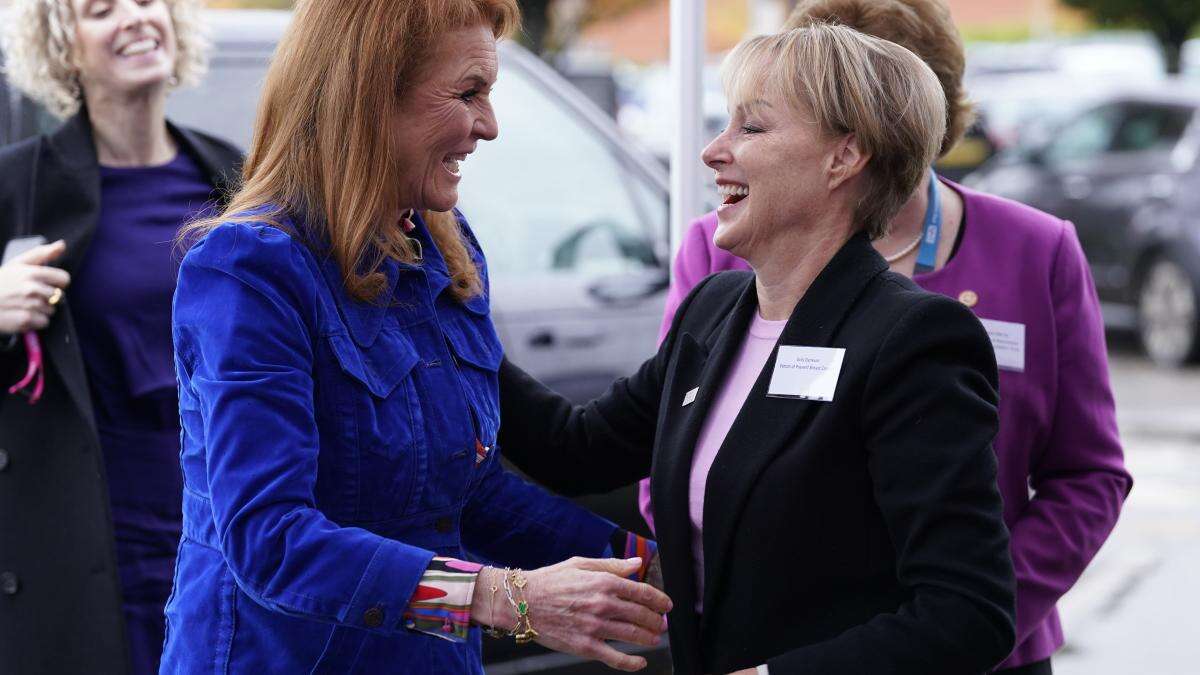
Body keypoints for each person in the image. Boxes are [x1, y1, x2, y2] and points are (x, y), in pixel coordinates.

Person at [160, 1, 669, 673]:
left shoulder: (440, 244)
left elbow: (467, 489)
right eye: (469, 93)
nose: (488, 125)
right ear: (370, 96)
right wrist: (503, 596)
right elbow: (271, 543)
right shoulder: (249, 270)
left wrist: (642, 567)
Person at [631, 2, 1133, 673]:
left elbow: (1088, 472)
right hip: (778, 651)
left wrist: (966, 614)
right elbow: (663, 448)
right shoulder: (723, 250)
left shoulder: (1036, 250)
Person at [499, 24, 1016, 675]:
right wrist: (448, 322)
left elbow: (969, 609)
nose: (715, 151)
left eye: (752, 128)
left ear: (843, 158)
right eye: (725, 124)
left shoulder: (911, 340)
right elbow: (573, 449)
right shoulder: (712, 311)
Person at [0, 1, 241, 672]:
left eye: (147, 2)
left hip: (231, 528)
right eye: (102, 10)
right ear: (62, 48)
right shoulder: (18, 185)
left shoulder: (229, 175)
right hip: (97, 545)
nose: (135, 18)